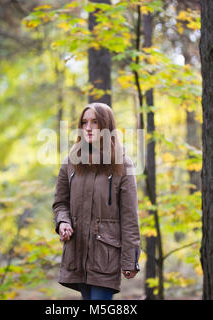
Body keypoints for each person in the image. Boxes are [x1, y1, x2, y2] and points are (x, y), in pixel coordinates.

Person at [52, 102, 140, 300]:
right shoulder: (71, 162)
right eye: (84, 122)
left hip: (105, 256)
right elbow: (60, 203)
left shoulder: (123, 163)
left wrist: (130, 260)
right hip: (77, 252)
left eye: (95, 122)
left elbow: (129, 217)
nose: (88, 128)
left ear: (106, 126)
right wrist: (63, 222)